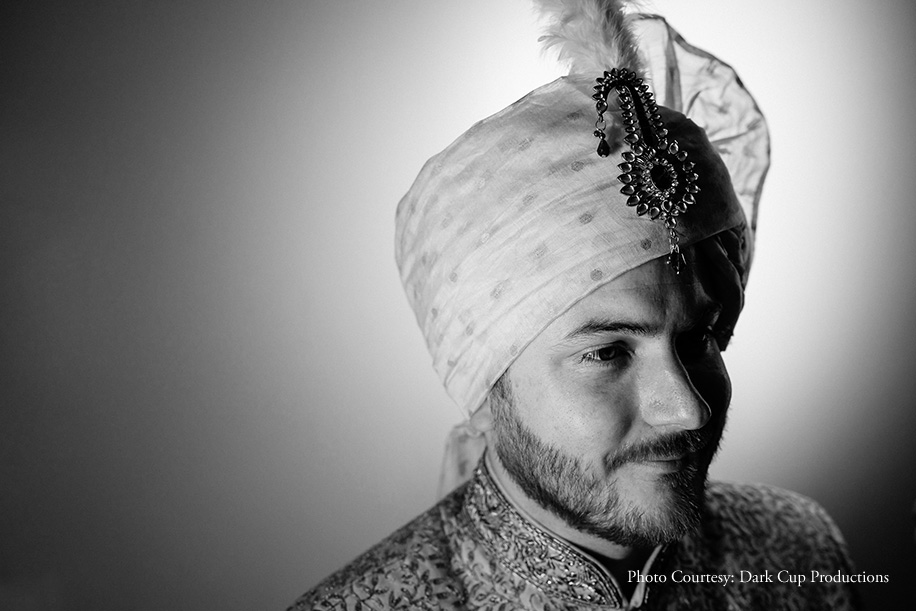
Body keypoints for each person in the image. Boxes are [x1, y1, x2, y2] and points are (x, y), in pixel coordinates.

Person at [289, 1, 860, 608]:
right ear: (484, 394)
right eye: (608, 352)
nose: (688, 410)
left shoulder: (798, 551)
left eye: (700, 339)